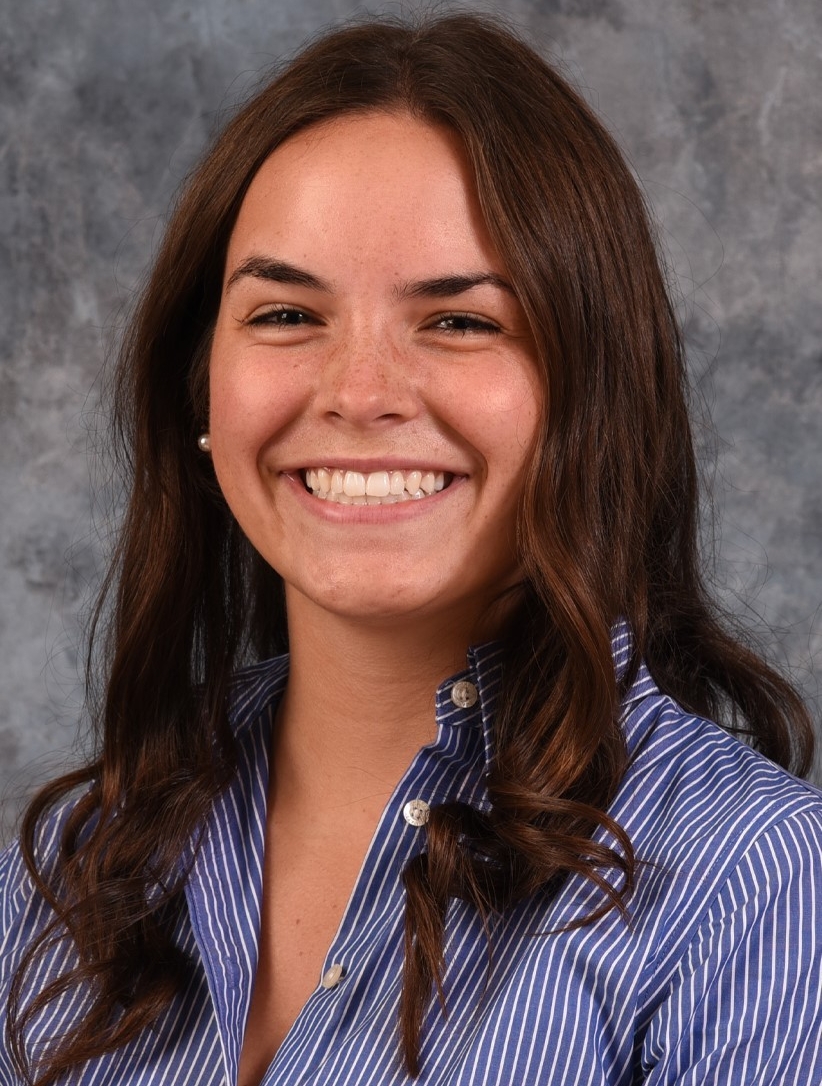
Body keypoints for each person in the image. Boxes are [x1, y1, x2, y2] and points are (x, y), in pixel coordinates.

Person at [1, 12, 820, 1086]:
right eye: (288, 314)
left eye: (460, 322)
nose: (358, 394)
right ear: (200, 389)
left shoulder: (753, 885)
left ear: (594, 391)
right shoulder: (83, 856)